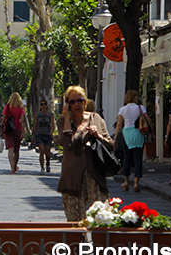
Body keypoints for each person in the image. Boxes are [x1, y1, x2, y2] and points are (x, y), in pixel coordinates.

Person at [56, 86, 114, 221]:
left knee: (101, 218)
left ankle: (98, 242)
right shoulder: (62, 121)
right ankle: (80, 242)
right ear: (67, 104)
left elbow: (111, 145)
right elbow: (66, 143)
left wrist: (98, 135)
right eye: (72, 102)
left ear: (85, 102)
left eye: (80, 100)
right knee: (75, 221)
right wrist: (66, 119)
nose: (76, 104)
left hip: (95, 175)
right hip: (72, 177)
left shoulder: (96, 119)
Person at [114, 90, 153, 193]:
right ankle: (136, 183)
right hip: (138, 132)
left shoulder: (122, 109)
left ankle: (126, 182)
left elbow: (119, 124)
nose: (138, 98)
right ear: (133, 97)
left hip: (126, 133)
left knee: (127, 158)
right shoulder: (140, 108)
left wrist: (115, 137)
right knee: (138, 159)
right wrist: (151, 129)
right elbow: (148, 120)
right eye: (136, 96)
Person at [1, 92, 26, 173]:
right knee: (16, 150)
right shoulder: (21, 108)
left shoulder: (7, 107)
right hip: (17, 129)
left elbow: (4, 118)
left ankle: (12, 167)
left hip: (8, 129)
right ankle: (15, 165)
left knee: (10, 149)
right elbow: (22, 120)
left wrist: (2, 130)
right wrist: (23, 131)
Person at [32, 99, 55, 173]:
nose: (43, 106)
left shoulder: (50, 114)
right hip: (39, 134)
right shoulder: (38, 115)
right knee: (42, 150)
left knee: (47, 152)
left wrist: (51, 132)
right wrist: (33, 135)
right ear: (40, 106)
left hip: (47, 135)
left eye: (44, 104)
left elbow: (53, 125)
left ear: (47, 105)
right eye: (42, 104)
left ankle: (48, 163)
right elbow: (35, 125)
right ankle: (42, 167)